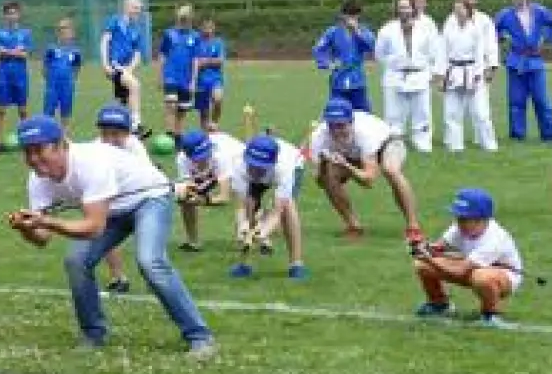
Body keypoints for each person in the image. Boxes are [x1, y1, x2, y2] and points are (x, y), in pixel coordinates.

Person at [4, 115, 216, 358]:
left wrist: (47, 221)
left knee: (150, 262)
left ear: (61, 144)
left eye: (39, 150)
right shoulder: (38, 180)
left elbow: (94, 227)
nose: (33, 159)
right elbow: (42, 239)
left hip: (149, 199)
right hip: (111, 209)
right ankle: (93, 335)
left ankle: (200, 337)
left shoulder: (89, 163)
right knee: (76, 261)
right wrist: (26, 227)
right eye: (27, 152)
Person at [309, 96, 423, 242]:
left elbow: (368, 180)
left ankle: (413, 226)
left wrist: (346, 166)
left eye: (341, 125)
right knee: (330, 176)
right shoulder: (319, 137)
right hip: (352, 154)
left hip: (387, 144)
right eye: (332, 126)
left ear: (351, 122)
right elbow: (320, 182)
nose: (337, 131)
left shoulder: (365, 133)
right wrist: (324, 164)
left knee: (391, 170)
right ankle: (353, 226)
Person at [412, 187, 523, 328]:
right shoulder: (459, 227)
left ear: (481, 219)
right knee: (423, 266)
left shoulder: (495, 239)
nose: (459, 221)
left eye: (464, 218)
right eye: (458, 217)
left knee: (481, 277)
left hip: (503, 277)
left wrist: (429, 258)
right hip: (471, 267)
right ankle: (438, 304)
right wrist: (423, 247)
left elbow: (460, 270)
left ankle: (491, 315)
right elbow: (439, 247)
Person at [226, 133, 309, 280]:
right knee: (249, 213)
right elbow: (244, 204)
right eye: (252, 165)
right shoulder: (238, 164)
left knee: (288, 207)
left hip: (295, 164)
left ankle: (296, 264)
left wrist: (262, 232)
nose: (255, 171)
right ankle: (245, 264)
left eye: (260, 168)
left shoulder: (284, 167)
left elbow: (277, 212)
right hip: (262, 174)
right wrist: (244, 228)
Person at [93, 103, 153, 295]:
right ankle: (118, 277)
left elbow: (144, 176)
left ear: (127, 133)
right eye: (106, 133)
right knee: (104, 232)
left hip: (140, 198)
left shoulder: (134, 146)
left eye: (116, 134)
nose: (110, 139)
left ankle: (154, 278)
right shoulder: (95, 149)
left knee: (147, 241)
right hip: (112, 198)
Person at [376, 0, 444, 152]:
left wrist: (436, 73)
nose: (404, 10)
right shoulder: (387, 29)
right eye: (400, 7)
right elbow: (379, 53)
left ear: (413, 9)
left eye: (406, 7)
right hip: (395, 76)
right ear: (396, 10)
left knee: (422, 113)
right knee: (393, 114)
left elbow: (435, 52)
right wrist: (395, 61)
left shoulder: (425, 28)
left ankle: (423, 144)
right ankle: (394, 144)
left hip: (419, 74)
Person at [493, 0, 552, 143]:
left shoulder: (539, 11)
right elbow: (491, 30)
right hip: (516, 61)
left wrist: (546, 36)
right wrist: (502, 36)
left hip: (535, 61)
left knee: (542, 100)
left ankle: (548, 134)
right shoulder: (504, 15)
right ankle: (517, 135)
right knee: (516, 101)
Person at [440, 0, 500, 152]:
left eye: (461, 9)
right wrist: (441, 75)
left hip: (472, 71)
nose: (458, 12)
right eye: (455, 9)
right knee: (452, 112)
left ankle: (489, 144)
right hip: (453, 71)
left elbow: (481, 54)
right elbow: (442, 51)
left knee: (481, 112)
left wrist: (479, 74)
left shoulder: (476, 28)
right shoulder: (449, 24)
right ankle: (455, 145)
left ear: (468, 11)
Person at [174, 127, 245, 250]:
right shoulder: (182, 159)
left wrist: (203, 201)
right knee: (185, 199)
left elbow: (224, 197)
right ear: (188, 155)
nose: (203, 158)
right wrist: (188, 196)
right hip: (211, 170)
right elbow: (189, 189)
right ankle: (193, 242)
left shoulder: (222, 156)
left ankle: (246, 232)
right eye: (199, 157)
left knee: (241, 196)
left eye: (206, 154)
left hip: (237, 162)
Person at [313, 0, 376, 113]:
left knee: (363, 114)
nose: (351, 18)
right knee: (337, 111)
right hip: (338, 78)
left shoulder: (363, 31)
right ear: (342, 15)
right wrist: (327, 64)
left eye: (354, 15)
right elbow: (319, 50)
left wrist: (356, 32)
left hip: (357, 79)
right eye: (348, 15)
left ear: (359, 16)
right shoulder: (332, 32)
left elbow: (371, 46)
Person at [101, 0, 151, 138]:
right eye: (135, 8)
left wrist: (129, 69)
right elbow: (105, 41)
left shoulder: (136, 29)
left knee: (121, 101)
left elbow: (137, 54)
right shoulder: (115, 21)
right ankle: (136, 125)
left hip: (125, 68)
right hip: (114, 65)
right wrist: (105, 64)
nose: (138, 12)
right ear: (126, 7)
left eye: (140, 9)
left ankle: (112, 131)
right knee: (135, 85)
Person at [157, 4, 204, 138]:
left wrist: (194, 81)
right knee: (171, 104)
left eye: (187, 18)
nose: (184, 21)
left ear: (190, 19)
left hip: (187, 78)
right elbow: (162, 55)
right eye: (182, 18)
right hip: (171, 76)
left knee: (182, 109)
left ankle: (178, 136)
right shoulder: (169, 34)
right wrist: (160, 76)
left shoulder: (195, 36)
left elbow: (195, 60)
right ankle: (169, 134)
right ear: (178, 18)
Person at [0, 1, 34, 142]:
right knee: (1, 109)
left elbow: (26, 54)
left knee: (22, 110)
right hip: (3, 75)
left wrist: (7, 52)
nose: (11, 16)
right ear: (4, 16)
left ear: (19, 15)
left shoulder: (25, 33)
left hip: (20, 75)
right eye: (9, 13)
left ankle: (27, 139)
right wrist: (15, 52)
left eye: (14, 13)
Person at [42, 18, 83, 132]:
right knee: (49, 111)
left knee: (66, 111)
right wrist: (48, 79)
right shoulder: (51, 48)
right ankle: (48, 134)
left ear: (72, 33)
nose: (64, 32)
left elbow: (77, 66)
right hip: (53, 85)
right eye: (61, 30)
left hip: (67, 85)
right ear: (57, 33)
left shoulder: (75, 51)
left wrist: (73, 79)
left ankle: (64, 136)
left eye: (66, 29)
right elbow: (45, 66)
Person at [194, 16, 228, 128]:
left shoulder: (218, 42)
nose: (207, 30)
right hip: (200, 80)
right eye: (205, 27)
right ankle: (205, 132)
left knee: (218, 99)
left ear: (214, 29)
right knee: (203, 111)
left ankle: (214, 123)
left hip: (215, 78)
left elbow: (220, 60)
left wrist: (205, 61)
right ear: (201, 28)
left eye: (210, 27)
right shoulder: (196, 42)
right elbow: (194, 61)